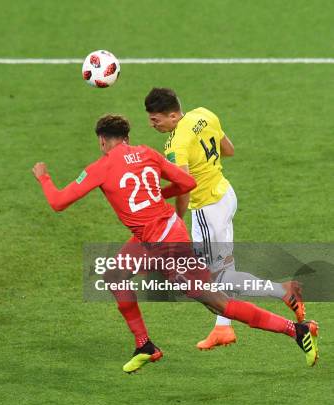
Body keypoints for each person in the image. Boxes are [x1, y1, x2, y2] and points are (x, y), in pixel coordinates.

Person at [32, 114, 318, 372]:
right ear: (127, 138)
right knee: (115, 273)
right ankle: (145, 345)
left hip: (169, 244)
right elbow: (187, 184)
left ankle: (296, 330)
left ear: (102, 141)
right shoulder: (147, 153)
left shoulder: (100, 168)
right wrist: (156, 196)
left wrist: (43, 177)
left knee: (216, 303)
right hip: (155, 233)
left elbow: (58, 202)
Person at [144, 87, 305, 349]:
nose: (153, 125)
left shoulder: (175, 144)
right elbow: (228, 150)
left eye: (156, 119)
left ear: (173, 116)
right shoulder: (204, 114)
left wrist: (175, 219)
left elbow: (184, 186)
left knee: (214, 279)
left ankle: (283, 291)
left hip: (207, 210)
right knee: (223, 267)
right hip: (225, 196)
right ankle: (223, 328)